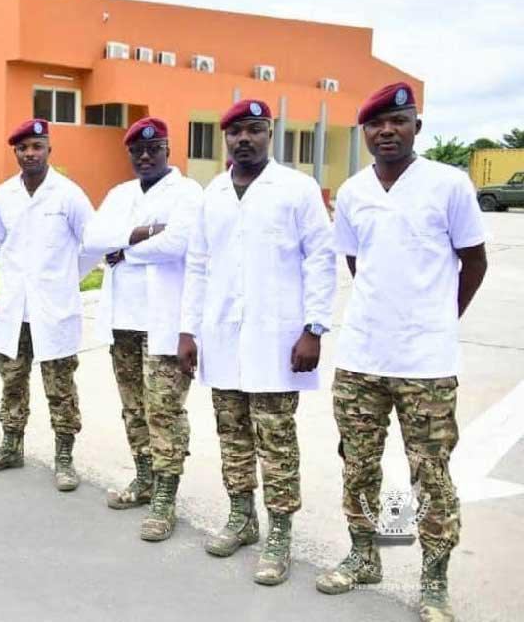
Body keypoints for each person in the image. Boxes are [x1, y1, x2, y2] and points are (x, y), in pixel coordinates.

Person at [316, 83, 487, 622]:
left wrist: (438, 319)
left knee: (429, 473)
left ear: (417, 126)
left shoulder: (449, 184)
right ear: (364, 132)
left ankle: (433, 580)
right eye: (375, 123)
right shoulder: (352, 192)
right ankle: (366, 556)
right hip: (362, 357)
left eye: (398, 120)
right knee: (358, 465)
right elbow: (355, 263)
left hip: (426, 366)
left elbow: (475, 262)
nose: (386, 130)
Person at [177, 99, 336, 585]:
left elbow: (321, 258)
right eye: (235, 132)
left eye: (253, 130)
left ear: (270, 134)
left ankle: (280, 534)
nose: (243, 139)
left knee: (277, 443)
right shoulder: (214, 193)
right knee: (233, 438)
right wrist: (188, 329)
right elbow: (198, 264)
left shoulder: (297, 188)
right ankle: (242, 518)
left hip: (277, 342)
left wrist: (314, 328)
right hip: (224, 339)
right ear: (225, 139)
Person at [82, 117, 203, 541]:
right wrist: (145, 232)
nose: (146, 156)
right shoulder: (120, 193)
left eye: (154, 148)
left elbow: (179, 243)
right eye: (138, 151)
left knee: (164, 411)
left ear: (168, 149)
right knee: (133, 408)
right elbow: (94, 237)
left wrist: (124, 253)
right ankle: (145, 477)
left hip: (164, 322)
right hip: (122, 321)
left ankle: (165, 500)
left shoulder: (188, 193)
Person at [0, 118, 95, 491]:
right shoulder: (4, 196)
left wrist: (63, 279)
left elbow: (90, 245)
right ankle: (11, 446)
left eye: (37, 146)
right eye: (23, 148)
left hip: (54, 309)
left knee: (59, 387)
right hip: (15, 309)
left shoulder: (69, 194)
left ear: (49, 150)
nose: (30, 153)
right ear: (16, 152)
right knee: (12, 382)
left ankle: (64, 457)